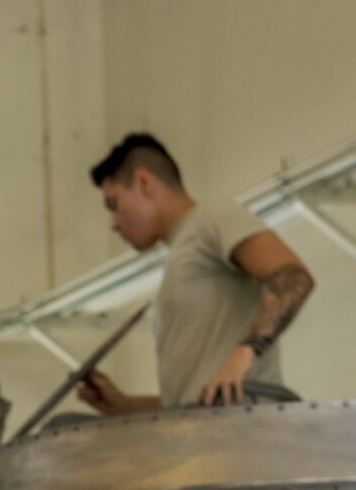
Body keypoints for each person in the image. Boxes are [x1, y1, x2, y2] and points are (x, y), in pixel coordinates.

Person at [74, 133, 316, 413]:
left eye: (114, 205)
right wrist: (124, 405)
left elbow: (294, 279)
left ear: (144, 182)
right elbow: (191, 405)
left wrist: (243, 354)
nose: (113, 224)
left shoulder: (213, 219)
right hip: (206, 438)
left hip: (245, 433)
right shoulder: (181, 256)